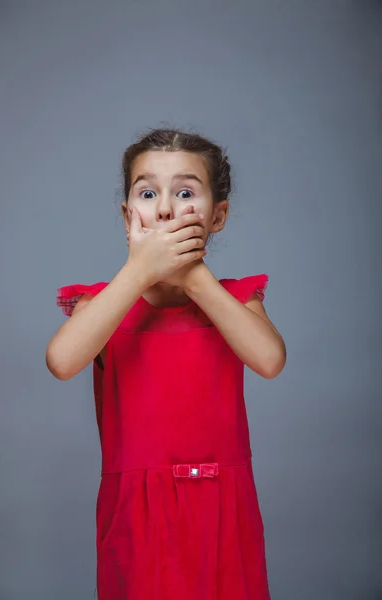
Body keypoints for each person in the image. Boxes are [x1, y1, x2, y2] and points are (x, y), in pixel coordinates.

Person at [46, 128, 286, 600]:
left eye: (185, 193)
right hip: (138, 511)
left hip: (222, 505)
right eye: (148, 192)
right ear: (126, 215)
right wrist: (139, 271)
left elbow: (270, 359)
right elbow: (61, 360)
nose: (165, 208)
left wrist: (193, 277)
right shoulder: (105, 303)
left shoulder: (236, 299)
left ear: (217, 216)